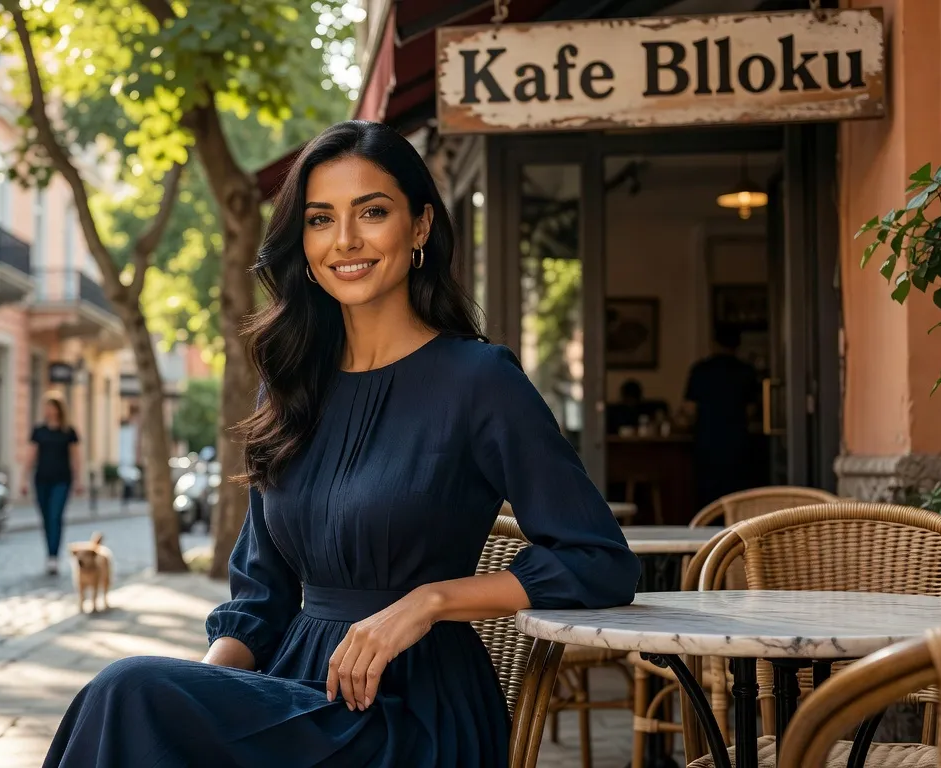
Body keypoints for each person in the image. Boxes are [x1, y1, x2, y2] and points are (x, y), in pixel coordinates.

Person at [40, 120, 640, 767]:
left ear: (420, 226)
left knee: (125, 689)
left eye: (372, 212)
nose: (345, 240)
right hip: (294, 695)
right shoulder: (289, 386)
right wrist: (205, 695)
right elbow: (260, 597)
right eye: (321, 219)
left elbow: (598, 559)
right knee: (134, 703)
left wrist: (431, 601)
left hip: (412, 712)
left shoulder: (480, 381)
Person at [682, 326, 761, 509]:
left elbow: (690, 409)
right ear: (738, 345)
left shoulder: (700, 370)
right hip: (737, 441)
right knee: (736, 494)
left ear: (713, 344)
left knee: (708, 496)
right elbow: (751, 410)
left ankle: (708, 523)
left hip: (707, 440)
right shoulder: (746, 371)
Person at [22, 397, 83, 575]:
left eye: (51, 407)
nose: (48, 411)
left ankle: (53, 557)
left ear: (59, 409)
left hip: (62, 480)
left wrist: (78, 480)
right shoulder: (39, 431)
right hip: (41, 479)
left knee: (55, 516)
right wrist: (23, 479)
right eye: (46, 407)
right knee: (46, 518)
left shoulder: (68, 432)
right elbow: (30, 455)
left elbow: (75, 457)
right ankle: (49, 552)